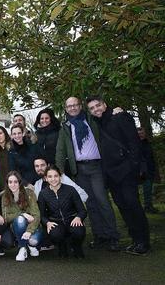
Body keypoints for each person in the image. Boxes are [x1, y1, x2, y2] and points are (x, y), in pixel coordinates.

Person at [87, 96, 150, 255]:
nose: (96, 109)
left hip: (126, 171)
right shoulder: (97, 124)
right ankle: (135, 240)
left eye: (98, 105)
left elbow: (134, 143)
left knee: (133, 205)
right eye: (92, 108)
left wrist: (132, 166)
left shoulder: (120, 117)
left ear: (104, 104)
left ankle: (143, 241)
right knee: (123, 207)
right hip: (111, 174)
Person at [56, 96, 120, 251]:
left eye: (75, 105)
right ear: (66, 109)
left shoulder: (91, 120)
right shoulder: (65, 127)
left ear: (80, 106)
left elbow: (105, 117)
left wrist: (116, 111)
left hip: (96, 167)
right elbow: (60, 150)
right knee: (90, 204)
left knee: (102, 201)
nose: (72, 108)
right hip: (79, 170)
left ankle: (113, 237)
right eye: (69, 106)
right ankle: (100, 236)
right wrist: (59, 172)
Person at [37, 165, 87, 258]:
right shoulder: (43, 194)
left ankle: (76, 246)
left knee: (79, 231)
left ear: (60, 177)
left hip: (71, 219)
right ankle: (62, 246)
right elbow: (42, 215)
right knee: (55, 234)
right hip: (56, 222)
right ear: (46, 179)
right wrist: (47, 222)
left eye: (56, 176)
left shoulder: (70, 190)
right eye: (50, 176)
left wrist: (78, 217)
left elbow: (82, 210)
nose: (53, 179)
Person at [1, 171, 42, 262]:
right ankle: (22, 248)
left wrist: (29, 231)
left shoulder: (29, 193)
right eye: (10, 182)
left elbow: (36, 215)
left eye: (15, 182)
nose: (13, 185)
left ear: (20, 182)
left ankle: (30, 245)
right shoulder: (5, 196)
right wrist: (22, 214)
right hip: (16, 226)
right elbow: (5, 217)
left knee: (33, 241)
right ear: (7, 183)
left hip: (32, 225)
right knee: (20, 219)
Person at [138, 127, 159, 213]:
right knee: (146, 189)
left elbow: (150, 157)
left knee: (149, 189)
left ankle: (149, 206)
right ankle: (146, 207)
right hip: (142, 171)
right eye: (139, 134)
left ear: (145, 133)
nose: (140, 135)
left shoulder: (147, 143)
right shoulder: (136, 144)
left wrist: (153, 169)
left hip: (150, 170)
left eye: (142, 133)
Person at [0, 127, 11, 192]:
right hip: (0, 185)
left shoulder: (12, 148)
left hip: (13, 183)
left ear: (5, 134)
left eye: (0, 133)